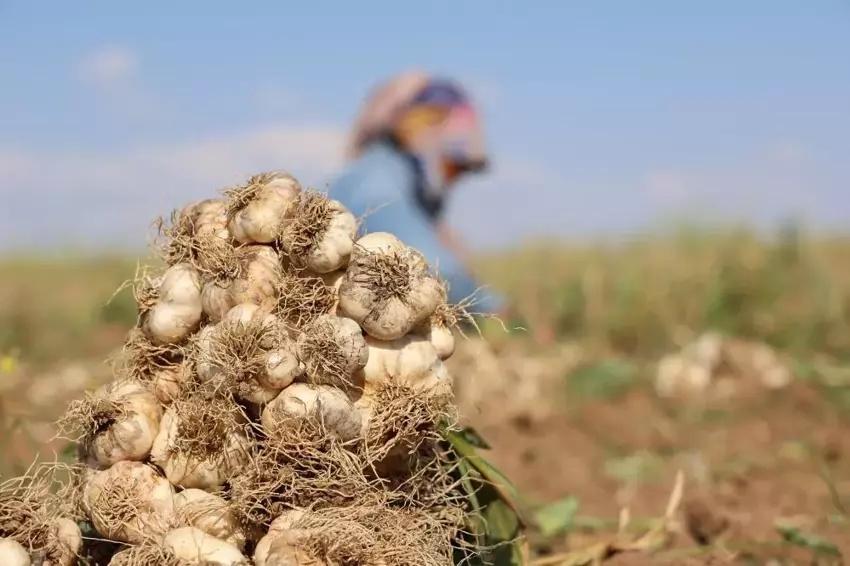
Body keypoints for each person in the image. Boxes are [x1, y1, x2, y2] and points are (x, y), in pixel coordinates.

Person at [331, 72, 505, 314]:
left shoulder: (385, 177)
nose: (453, 181)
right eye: (453, 166)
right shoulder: (377, 183)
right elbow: (438, 272)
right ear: (423, 134)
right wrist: (496, 310)